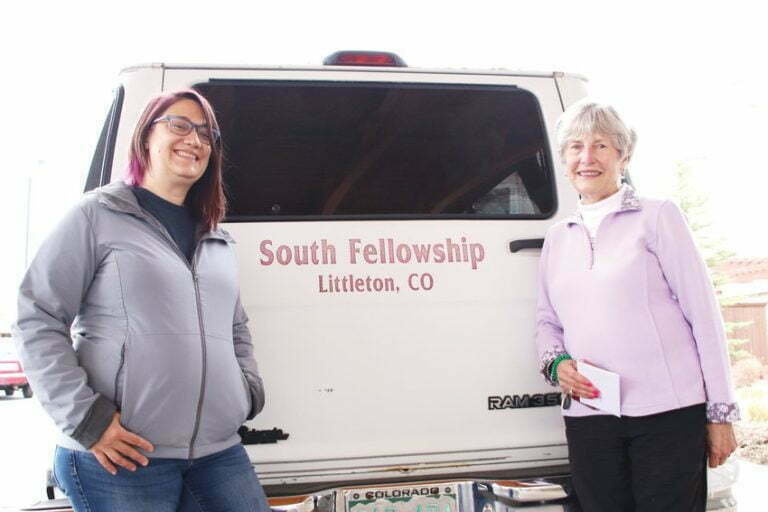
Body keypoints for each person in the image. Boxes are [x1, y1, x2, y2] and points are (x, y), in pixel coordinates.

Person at [13, 89, 269, 512]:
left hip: (217, 452)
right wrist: (86, 420)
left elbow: (235, 327)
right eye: (179, 124)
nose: (195, 139)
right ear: (145, 137)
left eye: (207, 133)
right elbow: (36, 316)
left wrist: (247, 392)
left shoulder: (216, 237)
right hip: (124, 455)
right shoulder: (96, 216)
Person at [535, 100, 739, 512]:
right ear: (563, 159)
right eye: (575, 147)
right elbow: (546, 322)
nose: (586, 158)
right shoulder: (558, 238)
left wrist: (721, 415)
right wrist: (557, 365)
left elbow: (704, 317)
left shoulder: (659, 216)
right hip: (590, 414)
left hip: (668, 413)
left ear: (624, 155)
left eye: (601, 146)